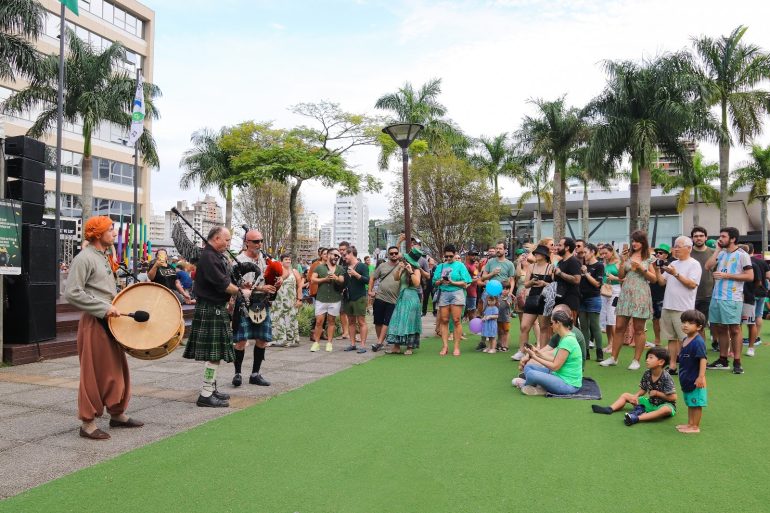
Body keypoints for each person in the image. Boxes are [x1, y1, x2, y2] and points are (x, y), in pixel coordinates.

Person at [65, 216, 143, 440]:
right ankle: (87, 423)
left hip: (111, 321)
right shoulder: (85, 258)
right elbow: (72, 292)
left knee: (118, 369)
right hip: (94, 322)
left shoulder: (105, 256)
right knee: (94, 372)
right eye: (110, 230)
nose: (114, 233)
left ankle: (117, 413)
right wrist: (103, 307)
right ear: (98, 234)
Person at [183, 226, 240, 407]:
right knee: (213, 354)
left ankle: (211, 388)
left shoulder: (212, 256)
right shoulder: (209, 257)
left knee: (214, 354)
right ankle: (206, 394)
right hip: (211, 307)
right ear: (216, 238)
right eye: (227, 240)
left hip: (214, 307)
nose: (229, 243)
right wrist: (242, 292)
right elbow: (224, 285)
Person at [600, 230, 657, 370]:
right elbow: (621, 276)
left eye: (637, 241)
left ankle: (636, 360)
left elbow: (654, 279)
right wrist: (623, 262)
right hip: (625, 293)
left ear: (643, 242)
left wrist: (641, 268)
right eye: (633, 241)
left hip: (641, 293)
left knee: (639, 329)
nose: (634, 243)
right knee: (619, 327)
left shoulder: (649, 257)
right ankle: (613, 358)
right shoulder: (627, 255)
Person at [705, 227, 754, 374]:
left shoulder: (742, 255)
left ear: (732, 239)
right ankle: (723, 359)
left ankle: (737, 362)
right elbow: (707, 266)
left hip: (732, 298)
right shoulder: (721, 253)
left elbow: (750, 276)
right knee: (720, 328)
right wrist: (716, 250)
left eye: (723, 237)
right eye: (720, 236)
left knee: (735, 329)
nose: (720, 239)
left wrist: (727, 276)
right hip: (717, 297)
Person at [231, 230, 274, 388]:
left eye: (261, 241)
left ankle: (255, 374)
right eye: (255, 241)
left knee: (262, 339)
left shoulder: (264, 259)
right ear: (246, 242)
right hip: (244, 302)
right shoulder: (238, 260)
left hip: (262, 303)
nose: (259, 244)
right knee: (241, 341)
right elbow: (237, 285)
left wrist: (278, 281)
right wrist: (262, 288)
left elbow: (271, 278)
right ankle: (238, 373)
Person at [591, 346, 677, 426]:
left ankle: (636, 418)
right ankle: (610, 409)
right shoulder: (647, 373)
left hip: (664, 405)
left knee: (666, 410)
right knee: (626, 395)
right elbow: (643, 389)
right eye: (647, 357)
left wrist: (657, 393)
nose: (647, 360)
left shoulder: (666, 377)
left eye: (651, 357)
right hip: (650, 403)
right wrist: (636, 396)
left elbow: (673, 397)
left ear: (661, 362)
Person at [653, 236, 701, 375]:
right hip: (668, 305)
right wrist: (657, 270)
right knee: (671, 338)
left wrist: (676, 274)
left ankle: (688, 366)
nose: (676, 248)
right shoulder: (675, 263)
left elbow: (692, 285)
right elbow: (662, 282)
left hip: (683, 308)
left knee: (685, 339)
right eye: (675, 246)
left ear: (689, 248)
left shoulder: (694, 264)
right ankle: (672, 366)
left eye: (679, 246)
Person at [512, 309, 583, 396]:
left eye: (552, 323)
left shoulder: (568, 340)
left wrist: (535, 357)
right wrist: (537, 353)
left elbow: (555, 366)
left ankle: (527, 385)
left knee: (531, 374)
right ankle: (538, 387)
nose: (551, 326)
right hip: (558, 376)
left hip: (568, 385)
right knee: (529, 367)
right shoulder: (565, 337)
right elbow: (555, 358)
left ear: (558, 323)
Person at [514, 244, 553, 360]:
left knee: (544, 327)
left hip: (545, 299)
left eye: (538, 253)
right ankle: (522, 350)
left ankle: (542, 352)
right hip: (532, 298)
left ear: (545, 255)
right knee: (524, 326)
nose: (536, 254)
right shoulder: (531, 267)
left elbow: (555, 285)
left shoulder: (551, 268)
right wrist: (532, 282)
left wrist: (544, 283)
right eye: (535, 253)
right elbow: (525, 284)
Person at [384, 248, 425, 355]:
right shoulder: (402, 267)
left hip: (411, 298)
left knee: (409, 321)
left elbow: (417, 283)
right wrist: (400, 269)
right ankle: (396, 347)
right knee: (397, 320)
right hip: (401, 297)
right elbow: (396, 278)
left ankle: (409, 347)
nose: (405, 261)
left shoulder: (416, 270)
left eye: (407, 260)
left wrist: (410, 271)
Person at [433, 244, 472, 356]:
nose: (448, 258)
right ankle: (445, 346)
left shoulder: (460, 266)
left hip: (457, 293)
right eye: (446, 256)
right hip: (444, 293)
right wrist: (440, 281)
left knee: (456, 320)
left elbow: (465, 283)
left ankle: (456, 347)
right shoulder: (440, 266)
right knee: (444, 320)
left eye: (451, 256)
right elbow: (434, 283)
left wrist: (452, 282)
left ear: (455, 255)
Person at [677, 309, 708, 434]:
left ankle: (695, 426)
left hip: (696, 380)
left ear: (699, 327)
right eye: (684, 322)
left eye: (690, 323)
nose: (685, 325)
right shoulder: (685, 340)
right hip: (687, 378)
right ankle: (690, 424)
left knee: (696, 404)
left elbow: (703, 359)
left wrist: (701, 377)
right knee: (690, 403)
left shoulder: (698, 342)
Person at [481, 241, 516, 351]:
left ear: (505, 250)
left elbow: (512, 279)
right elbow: (483, 277)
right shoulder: (491, 262)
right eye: (496, 248)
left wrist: (510, 291)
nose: (498, 250)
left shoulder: (509, 264)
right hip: (491, 294)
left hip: (504, 293)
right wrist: (492, 274)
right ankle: (490, 344)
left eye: (500, 248)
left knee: (502, 320)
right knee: (489, 318)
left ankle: (502, 344)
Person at [310, 249, 345, 352]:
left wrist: (336, 278)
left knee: (331, 321)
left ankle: (329, 343)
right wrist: (324, 279)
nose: (336, 257)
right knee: (319, 321)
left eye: (338, 256)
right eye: (335, 255)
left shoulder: (340, 268)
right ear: (329, 255)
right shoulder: (319, 267)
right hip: (321, 298)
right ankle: (316, 343)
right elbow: (312, 279)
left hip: (335, 299)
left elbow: (342, 280)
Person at [369, 246, 401, 352]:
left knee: (387, 322)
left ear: (398, 253)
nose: (394, 255)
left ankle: (379, 343)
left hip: (393, 299)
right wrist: (370, 291)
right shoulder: (382, 266)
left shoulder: (402, 265)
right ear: (388, 255)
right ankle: (380, 341)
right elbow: (373, 278)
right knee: (378, 321)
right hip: (380, 297)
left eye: (396, 253)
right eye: (391, 253)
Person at [578, 243, 605, 361]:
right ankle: (586, 352)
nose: (584, 255)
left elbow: (597, 284)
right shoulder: (583, 266)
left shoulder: (599, 266)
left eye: (585, 252)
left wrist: (586, 273)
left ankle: (599, 352)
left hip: (593, 298)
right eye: (583, 253)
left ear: (593, 252)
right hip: (581, 299)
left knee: (594, 326)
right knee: (583, 326)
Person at [270, 254, 303, 348]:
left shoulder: (294, 271)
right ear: (281, 261)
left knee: (290, 318)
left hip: (290, 300)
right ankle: (277, 340)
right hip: (278, 299)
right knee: (276, 318)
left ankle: (290, 339)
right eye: (286, 259)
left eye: (289, 259)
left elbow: (299, 286)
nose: (288, 261)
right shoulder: (277, 271)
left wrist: (299, 299)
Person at [341, 246, 370, 353]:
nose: (344, 258)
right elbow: (344, 282)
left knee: (361, 321)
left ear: (351, 253)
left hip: (359, 297)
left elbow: (367, 280)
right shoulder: (345, 267)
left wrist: (356, 274)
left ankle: (362, 345)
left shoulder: (362, 266)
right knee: (351, 321)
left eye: (345, 255)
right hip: (348, 298)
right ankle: (352, 344)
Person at [689, 226, 714, 345]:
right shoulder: (687, 252)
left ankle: (700, 351)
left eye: (701, 236)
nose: (698, 238)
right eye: (696, 236)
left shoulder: (713, 253)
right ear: (692, 238)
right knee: (687, 325)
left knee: (701, 326)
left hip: (707, 295)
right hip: (689, 294)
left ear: (706, 237)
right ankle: (687, 351)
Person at [747, 245, 770, 354]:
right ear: (753, 250)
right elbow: (768, 276)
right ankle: (756, 338)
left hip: (751, 291)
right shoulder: (762, 262)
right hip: (762, 291)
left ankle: (752, 339)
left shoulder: (746, 261)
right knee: (759, 315)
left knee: (751, 317)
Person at [599, 244, 622, 355]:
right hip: (605, 290)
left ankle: (614, 345)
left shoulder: (618, 263)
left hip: (616, 291)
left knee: (612, 319)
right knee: (607, 318)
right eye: (602, 253)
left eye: (605, 253)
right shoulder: (605, 263)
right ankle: (610, 343)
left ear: (612, 252)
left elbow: (625, 278)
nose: (603, 255)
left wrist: (614, 278)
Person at [649, 243, 673, 347]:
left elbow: (662, 281)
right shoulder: (653, 264)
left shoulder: (669, 266)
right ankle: (657, 340)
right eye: (656, 253)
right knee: (655, 319)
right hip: (653, 295)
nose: (658, 254)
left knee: (667, 321)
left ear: (666, 255)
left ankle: (669, 342)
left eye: (660, 253)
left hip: (665, 296)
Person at [553, 238, 582, 320]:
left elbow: (577, 280)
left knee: (569, 328)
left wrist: (560, 273)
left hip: (570, 301)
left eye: (560, 245)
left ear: (567, 248)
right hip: (559, 299)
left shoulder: (573, 261)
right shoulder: (560, 262)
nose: (557, 247)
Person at [337, 241, 352, 341]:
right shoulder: (338, 260)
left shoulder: (351, 259)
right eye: (340, 249)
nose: (341, 252)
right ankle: (345, 332)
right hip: (340, 290)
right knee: (342, 311)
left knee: (352, 313)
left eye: (343, 250)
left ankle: (353, 333)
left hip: (351, 289)